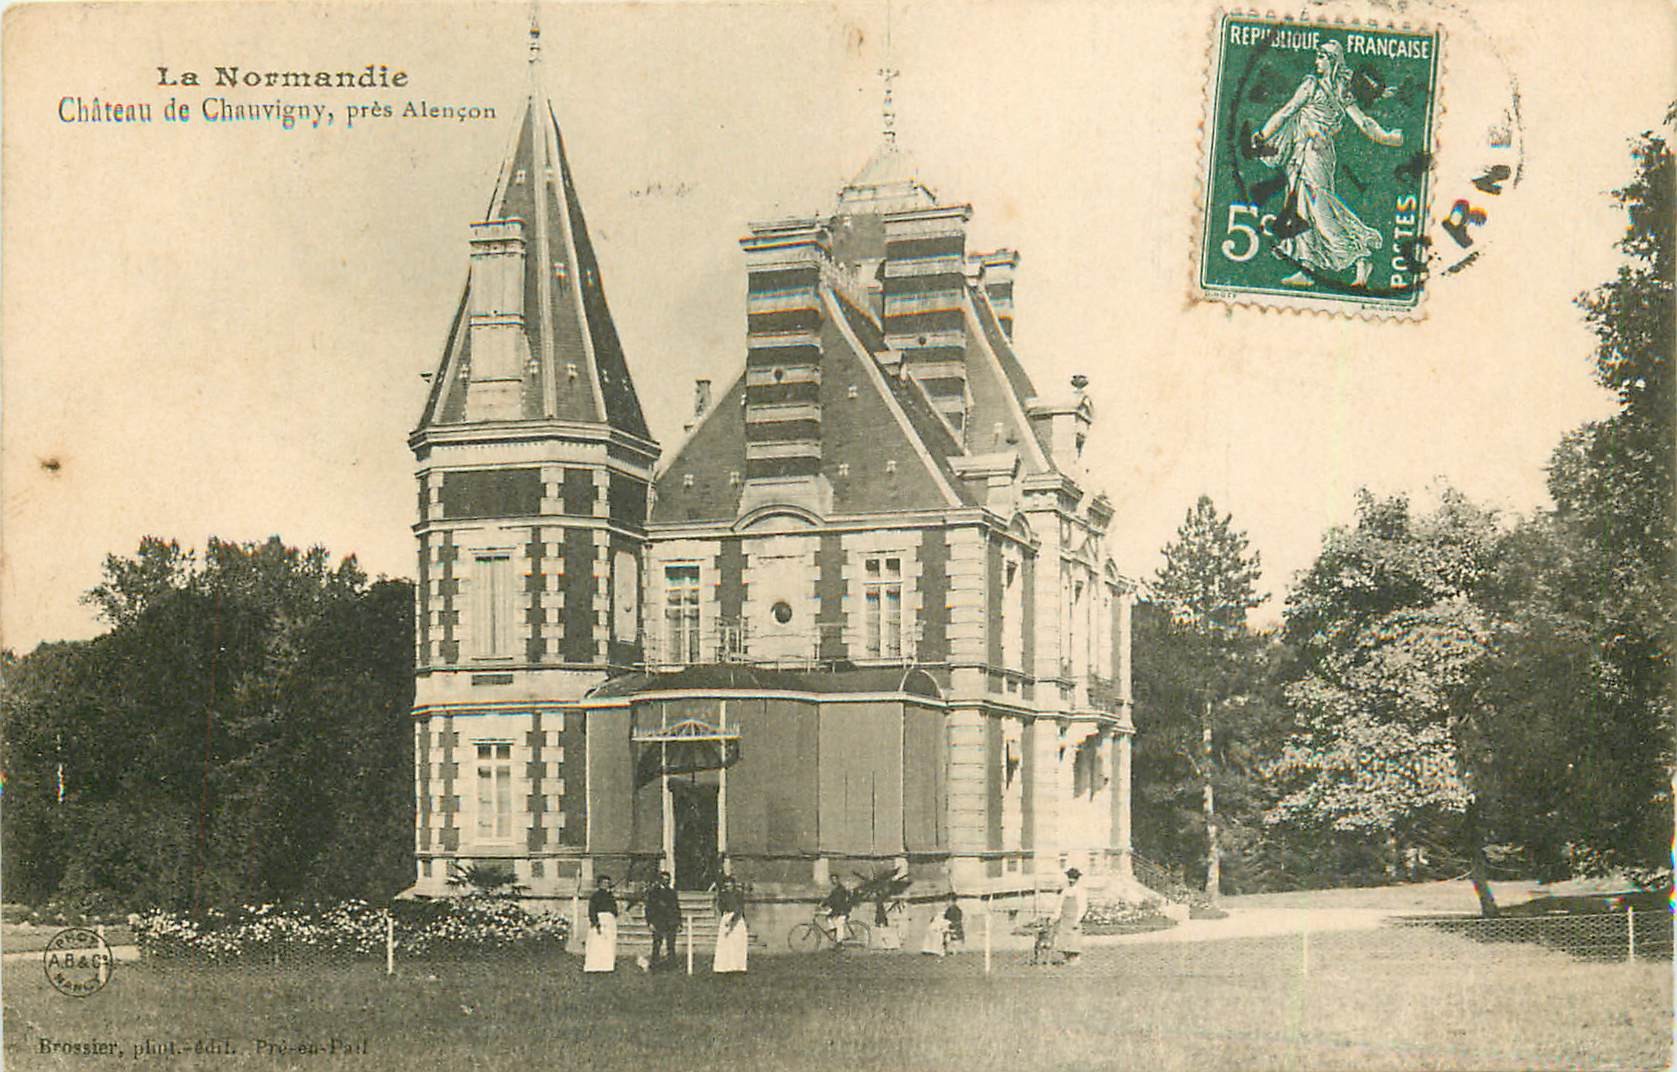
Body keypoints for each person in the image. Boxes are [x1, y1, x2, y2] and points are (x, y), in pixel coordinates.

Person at [1253, 39, 1405, 289]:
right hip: (1301, 154)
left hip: (1316, 157)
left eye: (1321, 57)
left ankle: (1360, 258)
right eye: (1317, 56)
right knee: (1300, 210)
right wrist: (1263, 136)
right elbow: (1286, 112)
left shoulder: (1320, 88)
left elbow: (1287, 112)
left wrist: (1388, 137)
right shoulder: (1323, 87)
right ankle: (1307, 268)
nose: (1316, 61)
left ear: (1332, 61)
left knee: (1322, 213)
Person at [644, 871, 682, 969]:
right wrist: (650, 922)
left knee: (671, 944)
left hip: (671, 922)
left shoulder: (672, 892)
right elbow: (649, 908)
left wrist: (679, 923)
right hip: (658, 922)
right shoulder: (653, 892)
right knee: (657, 944)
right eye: (664, 879)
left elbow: (676, 908)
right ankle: (654, 964)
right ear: (659, 880)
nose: (666, 881)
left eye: (668, 880)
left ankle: (671, 964)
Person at [712, 879, 748, 974]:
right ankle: (724, 966)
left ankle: (738, 966)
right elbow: (719, 908)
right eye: (726, 885)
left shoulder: (738, 894)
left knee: (737, 944)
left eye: (730, 885)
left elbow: (740, 909)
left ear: (733, 885)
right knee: (725, 944)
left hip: (737, 919)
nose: (728, 887)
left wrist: (732, 920)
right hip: (726, 917)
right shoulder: (723, 895)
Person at [584, 875, 618, 973]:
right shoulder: (595, 896)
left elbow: (615, 910)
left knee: (609, 943)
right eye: (603, 883)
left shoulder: (610, 896)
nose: (606, 885)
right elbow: (592, 910)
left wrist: (611, 916)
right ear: (599, 884)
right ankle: (594, 965)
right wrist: (595, 922)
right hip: (599, 920)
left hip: (609, 921)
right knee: (597, 943)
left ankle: (607, 965)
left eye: (607, 883)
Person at [1054, 868, 1088, 966]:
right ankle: (1066, 957)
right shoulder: (1065, 890)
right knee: (1064, 939)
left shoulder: (1081, 891)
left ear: (1077, 879)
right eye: (1069, 878)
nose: (1071, 880)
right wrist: (1056, 916)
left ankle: (1075, 958)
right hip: (1065, 918)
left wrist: (1077, 920)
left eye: (1073, 878)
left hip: (1074, 917)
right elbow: (1059, 904)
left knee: (1074, 939)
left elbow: (1083, 906)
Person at [820, 875, 853, 950]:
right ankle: (835, 935)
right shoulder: (835, 890)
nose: (833, 881)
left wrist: (827, 905)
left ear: (838, 880)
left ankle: (840, 944)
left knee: (839, 925)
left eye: (835, 879)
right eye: (832, 879)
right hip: (837, 910)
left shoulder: (840, 889)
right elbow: (830, 898)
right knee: (829, 919)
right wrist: (822, 904)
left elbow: (835, 901)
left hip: (842, 910)